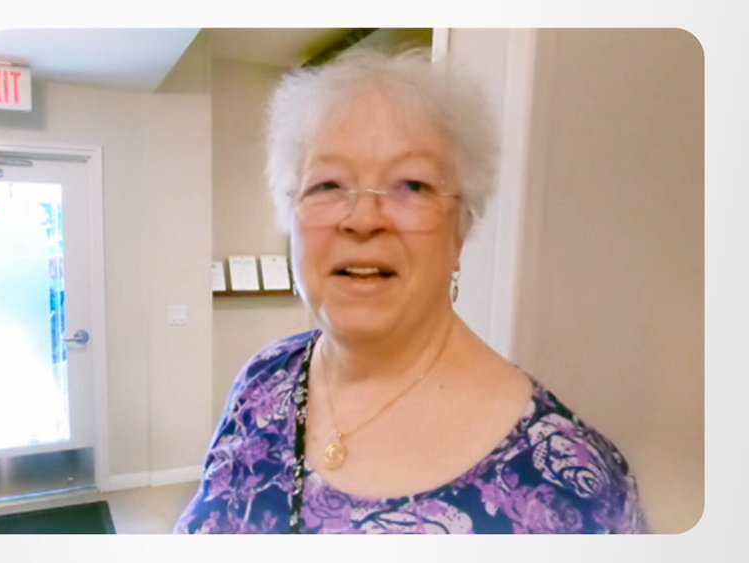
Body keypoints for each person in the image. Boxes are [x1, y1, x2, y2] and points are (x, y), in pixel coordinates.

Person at [175, 47, 646, 534]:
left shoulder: (576, 488)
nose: (363, 219)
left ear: (460, 230)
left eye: (412, 186)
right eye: (328, 185)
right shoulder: (262, 381)